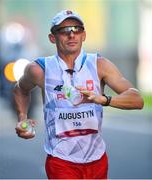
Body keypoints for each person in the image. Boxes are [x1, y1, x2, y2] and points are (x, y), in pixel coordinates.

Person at [14, 10, 144, 179]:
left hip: (97, 159)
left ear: (84, 35)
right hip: (60, 159)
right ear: (52, 38)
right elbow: (20, 89)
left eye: (77, 29)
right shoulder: (39, 69)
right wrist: (22, 117)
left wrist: (104, 99)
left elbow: (137, 99)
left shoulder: (99, 65)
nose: (72, 34)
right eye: (64, 30)